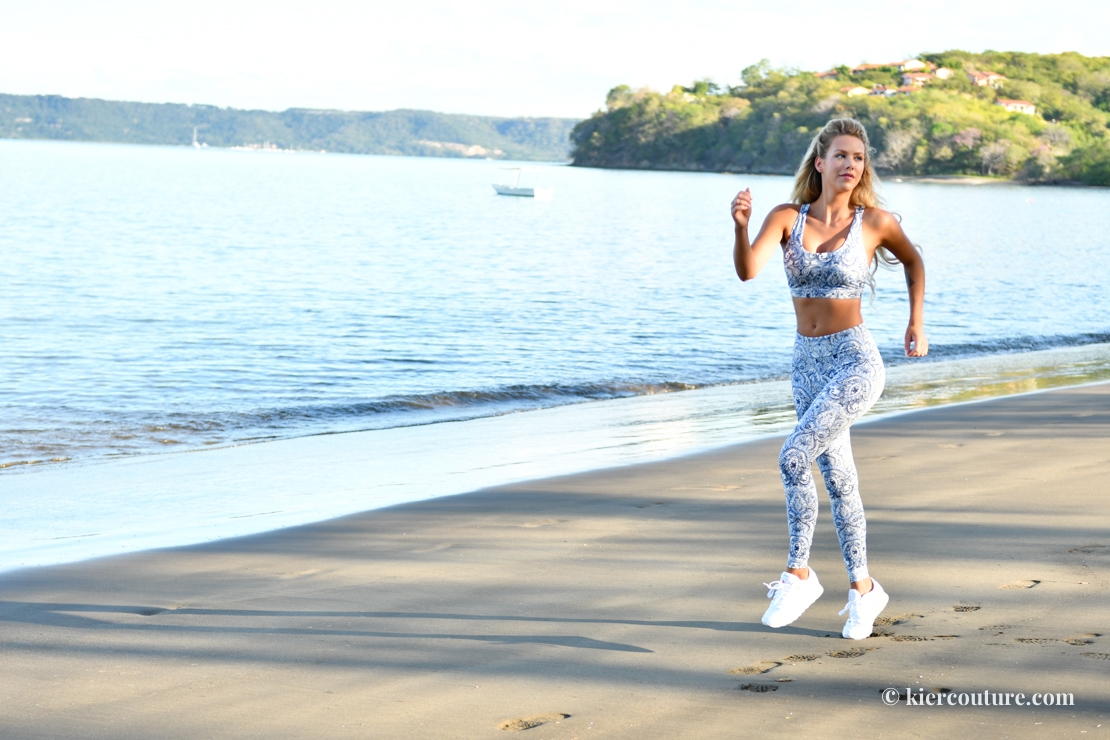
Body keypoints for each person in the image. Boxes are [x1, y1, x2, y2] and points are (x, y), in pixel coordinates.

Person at [730, 118, 927, 640]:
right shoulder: (787, 218)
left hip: (856, 360)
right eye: (841, 155)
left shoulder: (874, 222)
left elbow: (914, 262)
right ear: (820, 163)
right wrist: (740, 225)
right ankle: (864, 592)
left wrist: (915, 322)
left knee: (794, 455)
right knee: (839, 481)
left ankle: (799, 573)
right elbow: (749, 270)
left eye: (858, 158)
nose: (850, 165)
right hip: (806, 363)